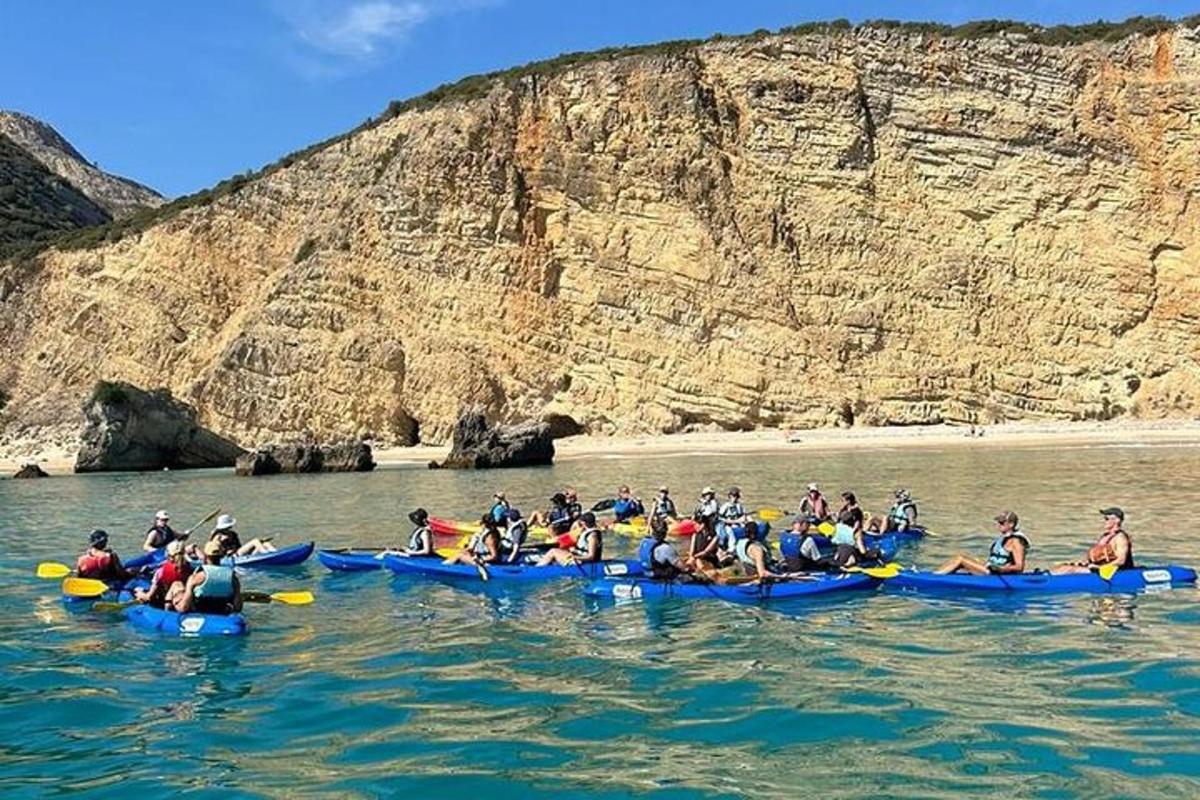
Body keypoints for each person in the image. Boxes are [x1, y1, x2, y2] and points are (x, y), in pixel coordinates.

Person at [934, 511, 1030, 575]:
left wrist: (1001, 570)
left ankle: (935, 577)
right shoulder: (1004, 538)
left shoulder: (1016, 542)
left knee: (960, 559)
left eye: (1002, 523)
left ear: (1011, 524)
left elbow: (1019, 567)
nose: (999, 525)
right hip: (991, 570)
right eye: (998, 522)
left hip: (999, 575)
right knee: (969, 559)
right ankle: (937, 575)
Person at [1052, 508, 1134, 574]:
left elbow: (1121, 561)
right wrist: (1084, 563)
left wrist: (1100, 568)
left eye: (1106, 519)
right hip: (1100, 568)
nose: (1104, 521)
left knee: (1068, 570)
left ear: (1117, 520)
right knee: (1061, 567)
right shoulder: (1105, 537)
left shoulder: (1120, 538)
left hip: (1116, 571)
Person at [179, 539, 242, 614]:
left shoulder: (196, 578)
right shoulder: (232, 578)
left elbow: (184, 607)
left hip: (200, 613)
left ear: (205, 556)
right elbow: (238, 607)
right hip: (222, 613)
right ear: (221, 556)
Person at [135, 540, 193, 607]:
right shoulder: (189, 567)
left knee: (138, 589)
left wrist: (139, 593)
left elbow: (149, 596)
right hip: (184, 598)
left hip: (166, 600)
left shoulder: (161, 571)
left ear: (168, 555)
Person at [537, 512, 603, 566]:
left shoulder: (592, 536)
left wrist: (575, 557)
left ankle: (537, 569)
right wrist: (574, 551)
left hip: (584, 562)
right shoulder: (587, 532)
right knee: (559, 552)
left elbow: (591, 556)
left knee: (553, 551)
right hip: (580, 558)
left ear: (584, 523)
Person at [209, 514, 276, 558]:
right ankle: (266, 554)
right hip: (232, 556)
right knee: (255, 541)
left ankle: (275, 553)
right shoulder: (217, 536)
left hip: (239, 552)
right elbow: (214, 550)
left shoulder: (233, 534)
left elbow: (239, 546)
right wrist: (226, 552)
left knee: (265, 543)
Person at [716, 486, 752, 555]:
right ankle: (731, 548)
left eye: (736, 496)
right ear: (729, 496)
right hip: (727, 525)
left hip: (737, 523)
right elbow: (720, 519)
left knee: (748, 528)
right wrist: (735, 521)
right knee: (730, 531)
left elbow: (743, 515)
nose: (735, 498)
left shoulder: (739, 506)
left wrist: (749, 521)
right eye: (733, 496)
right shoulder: (725, 506)